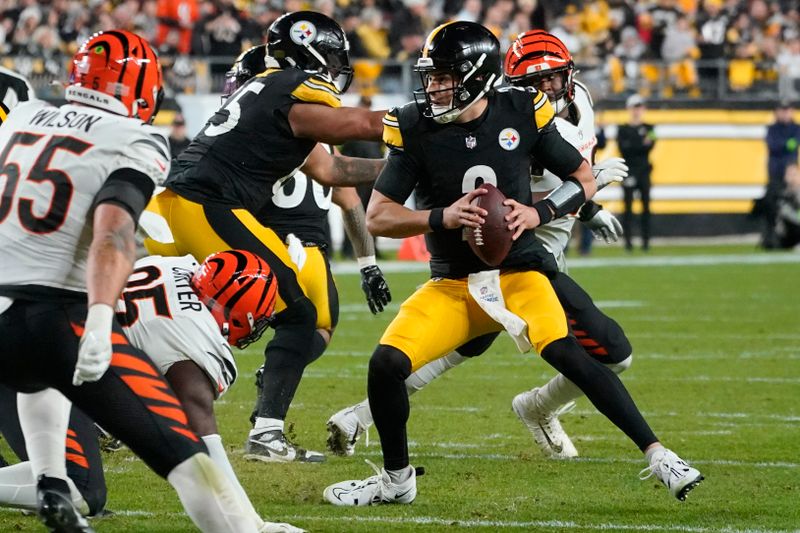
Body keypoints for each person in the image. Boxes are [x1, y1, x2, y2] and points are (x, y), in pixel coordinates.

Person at [322, 21, 703, 507]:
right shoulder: (414, 126)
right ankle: (396, 483)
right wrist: (440, 216)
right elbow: (377, 216)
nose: (434, 86)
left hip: (521, 271)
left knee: (567, 351)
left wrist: (540, 211)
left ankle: (658, 455)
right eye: (431, 77)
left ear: (477, 76)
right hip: (453, 282)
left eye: (444, 76)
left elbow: (583, 177)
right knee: (386, 364)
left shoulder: (522, 110)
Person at [0, 29, 260, 532]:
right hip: (56, 319)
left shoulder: (24, 116)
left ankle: (53, 481)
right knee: (189, 465)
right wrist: (99, 321)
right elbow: (113, 234)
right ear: (142, 89)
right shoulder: (134, 138)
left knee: (37, 376)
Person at [142, 11, 389, 462]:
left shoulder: (264, 92)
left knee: (173, 313)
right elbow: (363, 126)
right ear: (308, 51)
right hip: (209, 205)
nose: (335, 69)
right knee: (299, 312)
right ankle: (266, 435)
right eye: (331, 57)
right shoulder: (289, 85)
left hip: (179, 204)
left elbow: (333, 170)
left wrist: (399, 170)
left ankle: (111, 412)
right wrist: (426, 127)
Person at [0, 251, 303, 532]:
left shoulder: (173, 266)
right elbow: (205, 445)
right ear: (240, 311)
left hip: (28, 330)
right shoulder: (192, 337)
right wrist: (253, 523)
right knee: (80, 488)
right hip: (33, 363)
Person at [618, 94, 656, 251]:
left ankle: (646, 242)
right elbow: (624, 149)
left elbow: (651, 144)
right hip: (629, 171)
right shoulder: (623, 129)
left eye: (640, 107)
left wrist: (635, 145)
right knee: (628, 208)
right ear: (629, 109)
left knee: (646, 207)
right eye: (635, 107)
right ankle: (628, 243)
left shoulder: (650, 128)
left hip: (644, 172)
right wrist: (641, 143)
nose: (637, 111)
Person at [763, 101, 800, 249]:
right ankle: (772, 239)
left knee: (793, 204)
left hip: (790, 176)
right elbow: (774, 145)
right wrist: (786, 144)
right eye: (782, 110)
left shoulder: (796, 128)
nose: (785, 113)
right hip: (775, 176)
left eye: (787, 110)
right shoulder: (772, 129)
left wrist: (783, 145)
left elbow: (793, 143)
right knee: (773, 207)